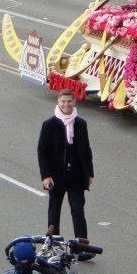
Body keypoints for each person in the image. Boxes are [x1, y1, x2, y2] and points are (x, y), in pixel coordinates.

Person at [37, 90, 95, 254]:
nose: (66, 105)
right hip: (56, 176)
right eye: (63, 101)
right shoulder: (49, 124)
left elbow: (86, 149)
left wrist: (89, 173)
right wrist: (45, 176)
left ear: (74, 102)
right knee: (54, 210)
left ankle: (81, 245)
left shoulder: (80, 123)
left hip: (76, 175)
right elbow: (42, 151)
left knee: (78, 210)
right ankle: (54, 243)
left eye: (69, 101)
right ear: (58, 102)